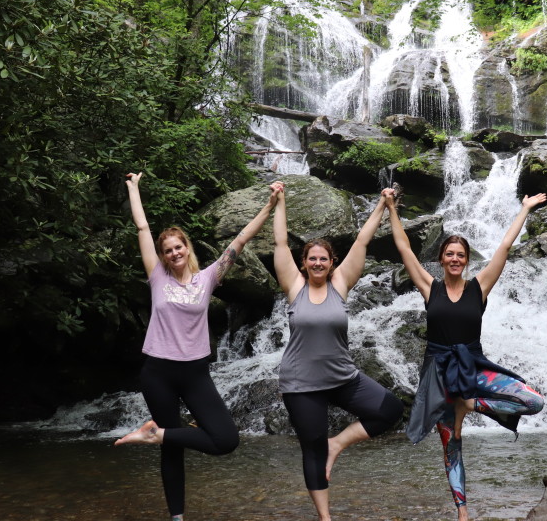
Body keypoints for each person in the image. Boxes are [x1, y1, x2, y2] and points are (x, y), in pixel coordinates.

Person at [114, 172, 279, 521]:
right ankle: (177, 517)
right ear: (162, 256)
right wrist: (134, 189)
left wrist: (270, 205)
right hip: (158, 371)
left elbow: (241, 239)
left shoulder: (208, 278)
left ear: (187, 248)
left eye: (178, 247)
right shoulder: (157, 277)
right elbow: (142, 228)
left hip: (194, 373)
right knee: (171, 449)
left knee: (226, 440)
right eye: (167, 250)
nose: (174, 253)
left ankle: (155, 433)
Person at [383, 187, 547, 521]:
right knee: (451, 444)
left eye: (460, 255)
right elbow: (404, 249)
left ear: (467, 260)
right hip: (439, 375)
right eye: (450, 254)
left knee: (533, 401)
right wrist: (391, 209)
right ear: (441, 259)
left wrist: (525, 209)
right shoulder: (430, 287)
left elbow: (504, 247)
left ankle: (470, 405)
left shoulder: (479, 287)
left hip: (473, 369)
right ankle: (462, 512)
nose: (455, 259)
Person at [272, 180, 404, 521]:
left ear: (332, 263)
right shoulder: (294, 287)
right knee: (312, 449)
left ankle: (338, 443)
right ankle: (325, 517)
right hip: (301, 384)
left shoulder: (340, 285)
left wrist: (381, 205)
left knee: (389, 409)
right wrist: (279, 201)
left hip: (343, 377)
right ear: (303, 263)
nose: (318, 263)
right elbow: (280, 242)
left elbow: (361, 241)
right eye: (312, 259)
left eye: (323, 259)